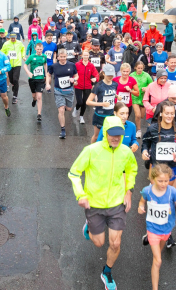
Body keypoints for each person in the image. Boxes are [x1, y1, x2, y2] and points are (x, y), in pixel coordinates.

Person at [69, 116, 137, 290]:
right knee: (99, 242)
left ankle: (107, 271)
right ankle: (89, 227)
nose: (116, 138)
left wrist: (128, 191)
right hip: (94, 204)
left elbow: (131, 170)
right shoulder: (91, 151)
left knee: (115, 243)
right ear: (105, 133)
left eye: (119, 135)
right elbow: (74, 173)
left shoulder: (126, 152)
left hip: (116, 203)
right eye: (112, 134)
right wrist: (80, 195)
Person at [139, 164, 176, 290]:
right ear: (153, 179)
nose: (163, 184)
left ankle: (155, 260)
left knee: (158, 254)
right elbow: (142, 201)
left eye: (166, 181)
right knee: (158, 260)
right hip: (153, 228)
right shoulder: (147, 190)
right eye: (160, 181)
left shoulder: (172, 191)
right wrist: (140, 207)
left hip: (166, 229)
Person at [142, 100, 176, 197]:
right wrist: (144, 151)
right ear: (161, 113)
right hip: (156, 165)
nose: (169, 116)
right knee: (157, 191)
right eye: (167, 113)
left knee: (165, 192)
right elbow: (145, 142)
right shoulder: (152, 129)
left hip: (171, 166)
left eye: (172, 113)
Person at [46, 49, 78, 139]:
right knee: (61, 109)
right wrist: (48, 84)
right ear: (58, 57)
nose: (63, 58)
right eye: (61, 57)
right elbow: (48, 75)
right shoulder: (54, 66)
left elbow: (76, 75)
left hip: (69, 91)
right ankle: (63, 129)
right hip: (58, 91)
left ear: (66, 56)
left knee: (68, 108)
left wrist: (74, 80)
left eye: (64, 57)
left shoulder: (72, 65)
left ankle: (64, 108)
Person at [87, 64, 119, 143]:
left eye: (112, 75)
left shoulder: (115, 84)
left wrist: (117, 96)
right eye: (108, 75)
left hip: (111, 115)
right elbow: (88, 102)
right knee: (97, 136)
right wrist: (102, 104)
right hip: (100, 115)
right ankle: (92, 152)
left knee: (109, 135)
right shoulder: (98, 86)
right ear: (104, 73)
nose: (110, 77)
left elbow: (110, 94)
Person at [73, 50, 100, 124]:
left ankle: (81, 117)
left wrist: (95, 78)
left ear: (88, 56)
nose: (85, 57)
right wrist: (74, 80)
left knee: (85, 102)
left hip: (88, 86)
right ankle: (76, 108)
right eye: (84, 55)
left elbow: (96, 74)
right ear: (82, 56)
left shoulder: (91, 65)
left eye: (87, 55)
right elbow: (73, 73)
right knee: (79, 102)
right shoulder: (77, 64)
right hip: (78, 85)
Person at [24, 43, 48, 121]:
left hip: (40, 79)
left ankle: (39, 114)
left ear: (42, 49)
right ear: (35, 49)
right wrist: (28, 72)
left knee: (39, 97)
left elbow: (45, 64)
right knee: (34, 96)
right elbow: (25, 65)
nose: (39, 51)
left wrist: (46, 74)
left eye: (40, 49)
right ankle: (34, 100)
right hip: (32, 79)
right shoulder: (32, 56)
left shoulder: (44, 56)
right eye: (38, 49)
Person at [130, 61, 153, 138]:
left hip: (144, 98)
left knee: (142, 116)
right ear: (135, 67)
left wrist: (147, 88)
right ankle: (138, 130)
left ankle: (138, 124)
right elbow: (128, 84)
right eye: (138, 68)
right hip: (135, 98)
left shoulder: (146, 75)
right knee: (138, 115)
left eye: (141, 68)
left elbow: (152, 85)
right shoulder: (132, 75)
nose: (140, 69)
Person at [1, 33, 25, 104]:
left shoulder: (19, 43)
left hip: (17, 64)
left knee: (15, 79)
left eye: (14, 38)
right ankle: (13, 85)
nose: (13, 39)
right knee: (11, 80)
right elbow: (2, 52)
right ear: (9, 37)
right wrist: (6, 57)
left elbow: (23, 49)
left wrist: (23, 56)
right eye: (12, 38)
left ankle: (15, 96)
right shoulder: (6, 44)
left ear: (16, 37)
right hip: (9, 64)